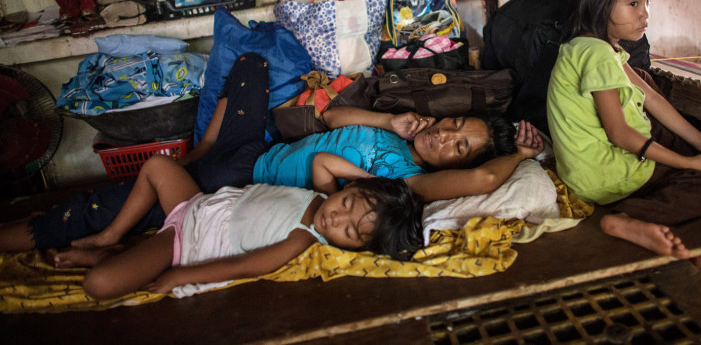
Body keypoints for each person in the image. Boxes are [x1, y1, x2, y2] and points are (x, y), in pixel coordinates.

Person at [0, 52, 543, 253]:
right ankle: (202, 149)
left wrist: (520, 156)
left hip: (238, 181)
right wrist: (388, 119)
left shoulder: (403, 180)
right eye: (451, 124)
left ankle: (179, 176)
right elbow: (329, 117)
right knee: (253, 63)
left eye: (459, 146)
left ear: (458, 162)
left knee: (101, 209)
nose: (445, 135)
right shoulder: (398, 133)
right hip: (253, 148)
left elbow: (480, 184)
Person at [546, 0, 701, 259]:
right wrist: (694, 164)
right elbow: (619, 134)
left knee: (644, 83)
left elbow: (653, 100)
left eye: (647, 1)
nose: (645, 14)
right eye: (634, 3)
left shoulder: (591, 46)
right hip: (608, 173)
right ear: (600, 3)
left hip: (588, 173)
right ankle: (628, 219)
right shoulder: (598, 55)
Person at [49, 153, 423, 300]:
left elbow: (243, 266)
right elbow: (323, 161)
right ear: (350, 188)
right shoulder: (322, 196)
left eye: (351, 232)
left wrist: (178, 277)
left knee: (98, 286)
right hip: (195, 205)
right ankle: (111, 238)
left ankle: (111, 259)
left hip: (185, 240)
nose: (336, 219)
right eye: (347, 204)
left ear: (354, 248)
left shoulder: (302, 239)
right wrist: (373, 182)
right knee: (155, 167)